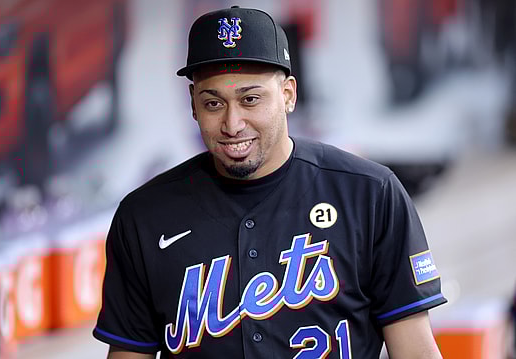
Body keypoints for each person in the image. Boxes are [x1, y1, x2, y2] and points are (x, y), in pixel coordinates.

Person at [93, 6, 447, 358]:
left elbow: (415, 350)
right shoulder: (144, 217)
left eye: (250, 99)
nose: (233, 123)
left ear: (289, 94)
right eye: (214, 103)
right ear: (193, 105)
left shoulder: (369, 194)